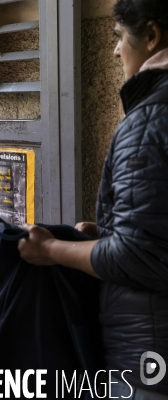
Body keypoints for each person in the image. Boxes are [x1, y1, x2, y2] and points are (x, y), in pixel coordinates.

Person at [17, 0, 168, 398]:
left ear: (152, 36)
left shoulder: (151, 121)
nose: (117, 50)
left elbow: (139, 257)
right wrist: (108, 233)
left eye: (120, 37)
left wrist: (51, 248)